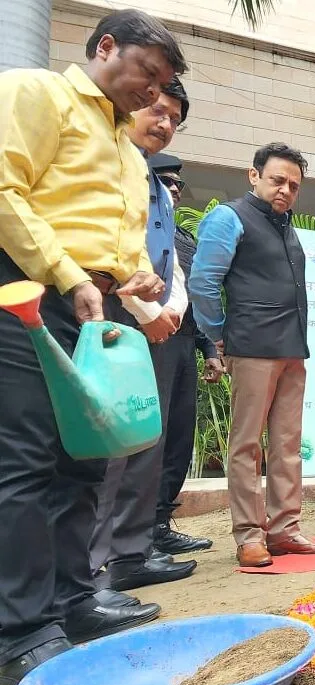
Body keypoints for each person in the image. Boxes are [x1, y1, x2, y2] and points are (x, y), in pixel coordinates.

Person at [0, 9, 185, 684]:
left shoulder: (126, 149)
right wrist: (71, 273)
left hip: (90, 304)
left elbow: (125, 239)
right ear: (105, 46)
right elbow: (4, 190)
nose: (153, 94)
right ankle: (18, 630)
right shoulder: (36, 93)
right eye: (148, 74)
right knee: (25, 460)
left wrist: (134, 278)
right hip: (24, 293)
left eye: (163, 85)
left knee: (82, 458)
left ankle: (74, 600)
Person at [189, 142, 315, 568]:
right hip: (251, 347)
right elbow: (203, 282)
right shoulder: (229, 217)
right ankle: (249, 536)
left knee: (287, 445)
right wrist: (218, 334)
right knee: (246, 445)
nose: (285, 190)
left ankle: (285, 530)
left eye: (293, 185)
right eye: (277, 180)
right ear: (253, 176)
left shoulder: (285, 226)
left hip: (292, 349)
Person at [89, 77, 199, 593]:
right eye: (157, 110)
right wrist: (144, 309)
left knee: (145, 441)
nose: (165, 124)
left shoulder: (151, 182)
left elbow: (168, 264)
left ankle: (132, 553)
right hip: (113, 314)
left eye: (175, 119)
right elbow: (108, 253)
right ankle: (96, 568)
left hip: (155, 323)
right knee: (113, 445)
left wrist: (167, 311)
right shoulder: (106, 164)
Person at [149, 152, 224, 556]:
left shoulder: (184, 238)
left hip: (182, 342)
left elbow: (191, 298)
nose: (174, 189)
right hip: (147, 338)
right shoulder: (137, 227)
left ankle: (159, 526)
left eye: (178, 183)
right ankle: (132, 539)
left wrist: (210, 349)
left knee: (179, 436)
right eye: (165, 180)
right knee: (150, 438)